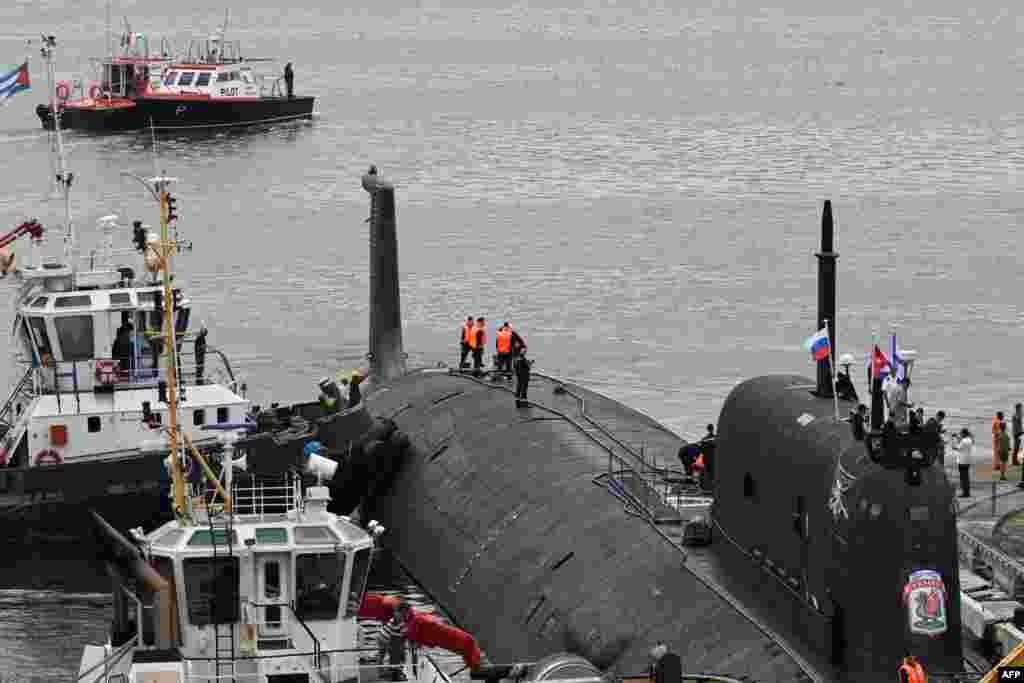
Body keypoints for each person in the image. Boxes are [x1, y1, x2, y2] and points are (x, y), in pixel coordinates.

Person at [379, 601, 410, 681]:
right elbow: (397, 634)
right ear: (403, 610)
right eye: (407, 610)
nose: (408, 612)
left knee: (383, 654)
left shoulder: (397, 616)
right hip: (386, 637)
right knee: (397, 654)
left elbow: (399, 631)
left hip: (382, 635)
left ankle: (382, 671)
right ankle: (396, 674)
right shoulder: (399, 618)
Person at [952, 428, 974, 497]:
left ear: (964, 434)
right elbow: (961, 440)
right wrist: (957, 437)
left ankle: (965, 492)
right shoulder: (969, 440)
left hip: (962, 461)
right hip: (967, 460)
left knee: (963, 478)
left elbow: (957, 447)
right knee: (966, 477)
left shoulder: (964, 441)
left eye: (961, 433)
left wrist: (954, 441)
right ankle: (966, 491)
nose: (960, 434)